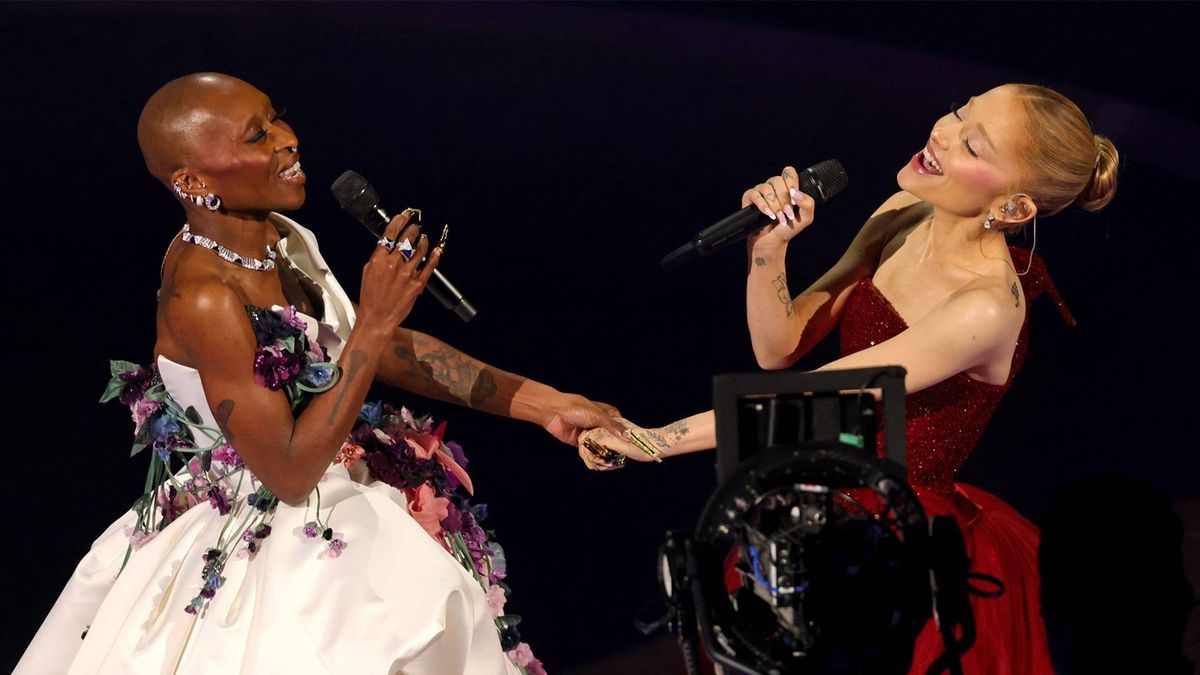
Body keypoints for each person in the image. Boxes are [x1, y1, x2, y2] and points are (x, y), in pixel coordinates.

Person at [16, 72, 628, 675]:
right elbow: (287, 470)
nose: (288, 138)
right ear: (193, 180)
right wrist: (376, 322)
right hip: (275, 544)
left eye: (277, 116)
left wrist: (546, 403)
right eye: (257, 136)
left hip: (342, 491)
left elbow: (364, 346)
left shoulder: (277, 239)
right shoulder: (203, 296)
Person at [580, 83, 1119, 674]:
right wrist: (769, 248)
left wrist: (655, 439)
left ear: (1014, 209)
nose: (941, 130)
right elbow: (780, 349)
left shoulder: (986, 307)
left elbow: (816, 399)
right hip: (819, 505)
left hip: (894, 543)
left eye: (972, 143)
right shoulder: (903, 212)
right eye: (959, 110)